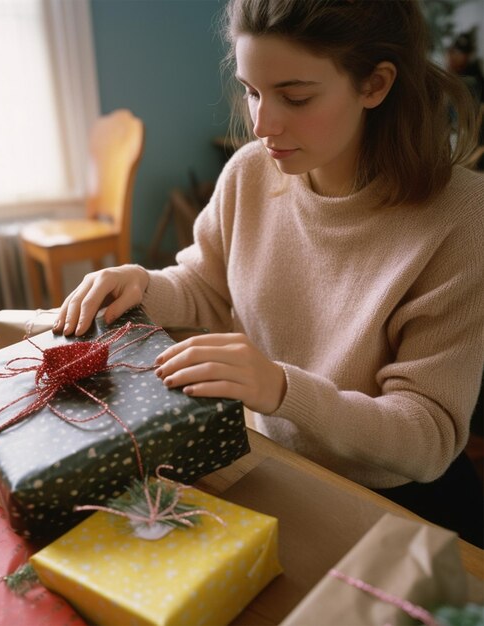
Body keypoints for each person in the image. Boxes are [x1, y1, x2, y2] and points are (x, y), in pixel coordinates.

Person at [53, 0, 484, 546]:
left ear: (374, 85)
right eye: (252, 91)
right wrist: (144, 284)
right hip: (275, 466)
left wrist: (281, 387)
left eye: (295, 97)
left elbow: (428, 436)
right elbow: (207, 286)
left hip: (397, 508)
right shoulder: (251, 171)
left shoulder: (462, 217)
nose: (261, 123)